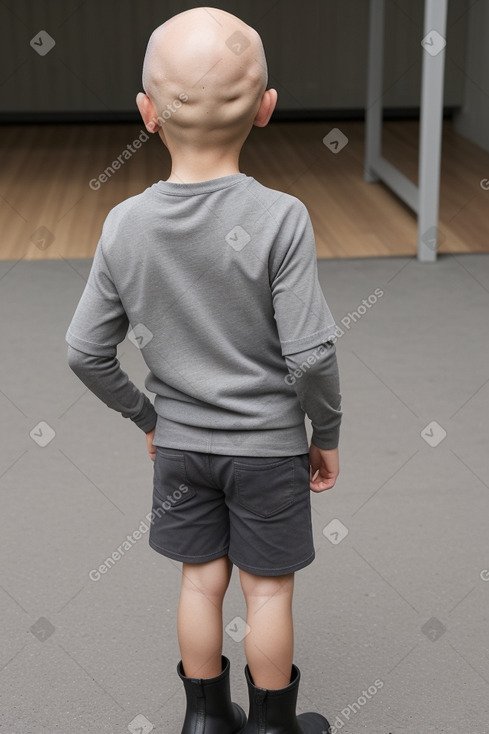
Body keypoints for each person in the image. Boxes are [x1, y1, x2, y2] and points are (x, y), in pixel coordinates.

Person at [65, 7, 342, 734]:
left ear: (146, 113)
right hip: (269, 447)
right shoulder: (282, 218)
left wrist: (147, 416)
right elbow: (310, 354)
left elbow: (84, 350)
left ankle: (203, 721)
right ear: (265, 109)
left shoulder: (125, 224)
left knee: (199, 582)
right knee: (268, 594)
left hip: (181, 449)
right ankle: (273, 726)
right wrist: (326, 430)